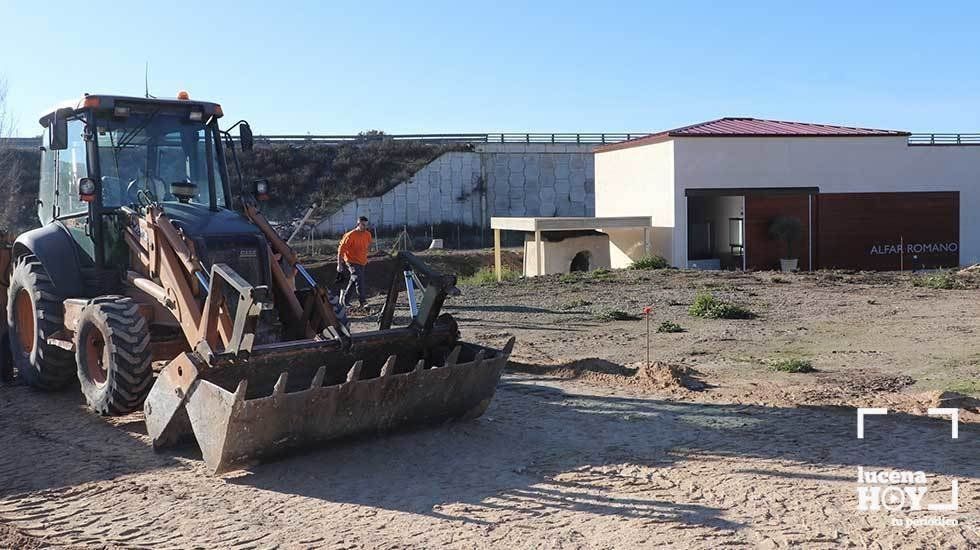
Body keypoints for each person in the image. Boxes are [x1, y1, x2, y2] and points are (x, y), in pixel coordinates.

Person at [337, 216, 373, 309]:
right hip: (351, 261)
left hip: (362, 262)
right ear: (358, 224)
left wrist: (365, 255)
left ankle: (344, 300)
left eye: (366, 225)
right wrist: (339, 264)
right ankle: (363, 302)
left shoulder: (367, 234)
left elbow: (368, 245)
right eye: (363, 225)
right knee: (359, 278)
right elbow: (341, 250)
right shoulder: (350, 235)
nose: (365, 227)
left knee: (353, 280)